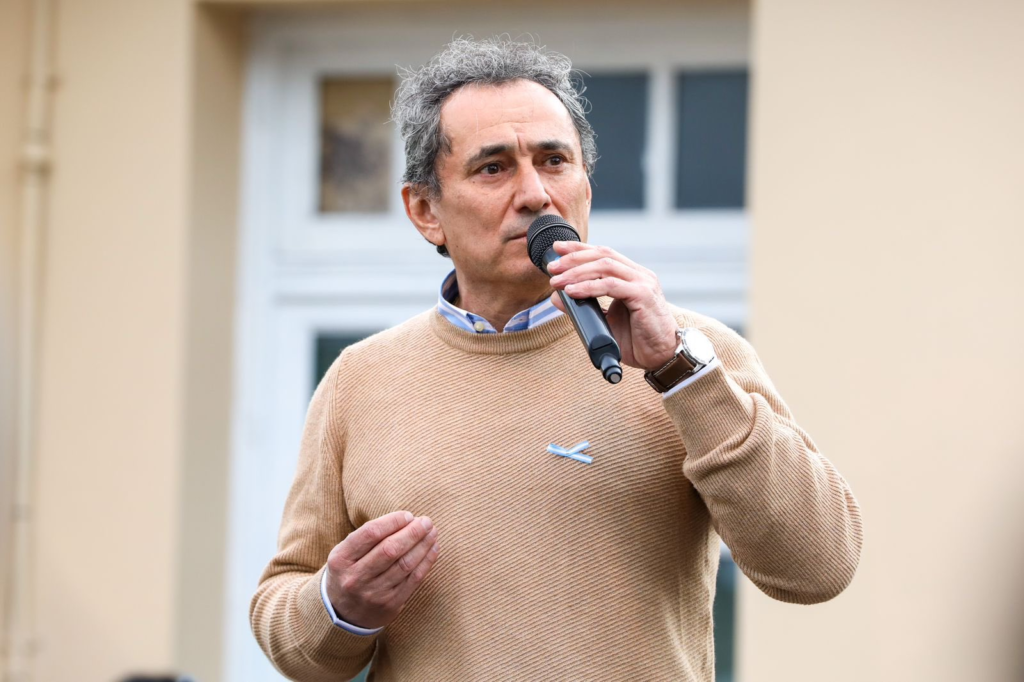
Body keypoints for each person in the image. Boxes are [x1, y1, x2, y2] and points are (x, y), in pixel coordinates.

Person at [250, 37, 863, 681]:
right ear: (426, 211)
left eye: (554, 161)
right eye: (494, 168)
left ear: (586, 187)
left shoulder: (691, 353)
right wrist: (339, 607)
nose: (536, 194)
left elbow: (818, 566)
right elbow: (287, 628)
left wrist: (680, 372)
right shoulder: (359, 380)